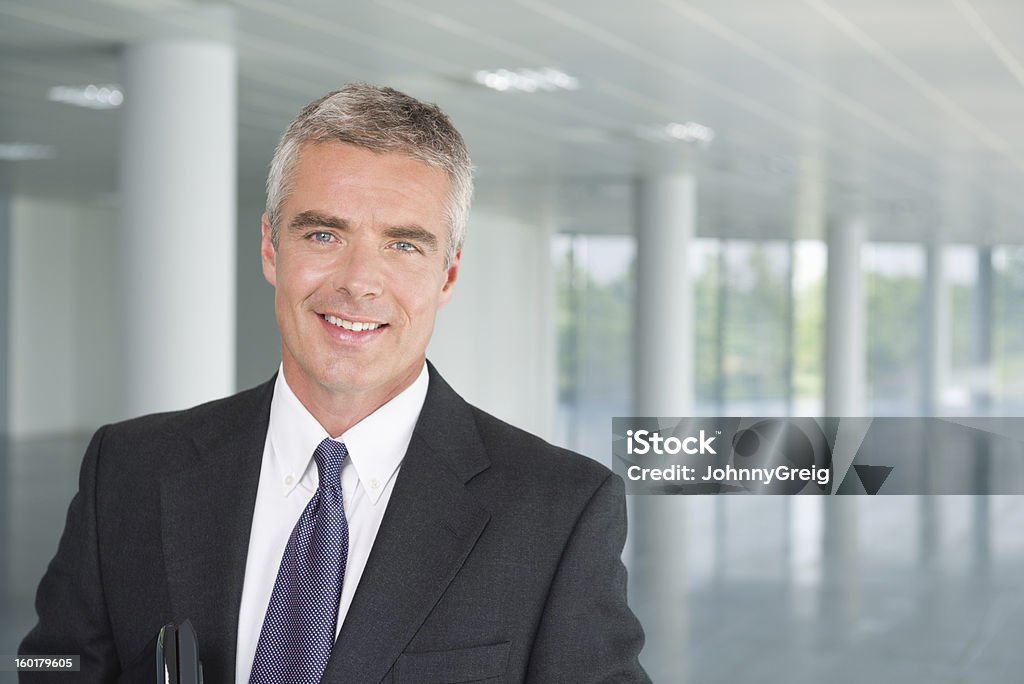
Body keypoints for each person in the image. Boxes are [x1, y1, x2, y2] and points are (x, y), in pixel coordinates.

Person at [20, 83, 648, 683]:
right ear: (271, 247)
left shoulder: (558, 509)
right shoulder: (127, 469)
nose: (358, 282)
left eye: (403, 246)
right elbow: (53, 669)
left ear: (448, 275)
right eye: (324, 234)